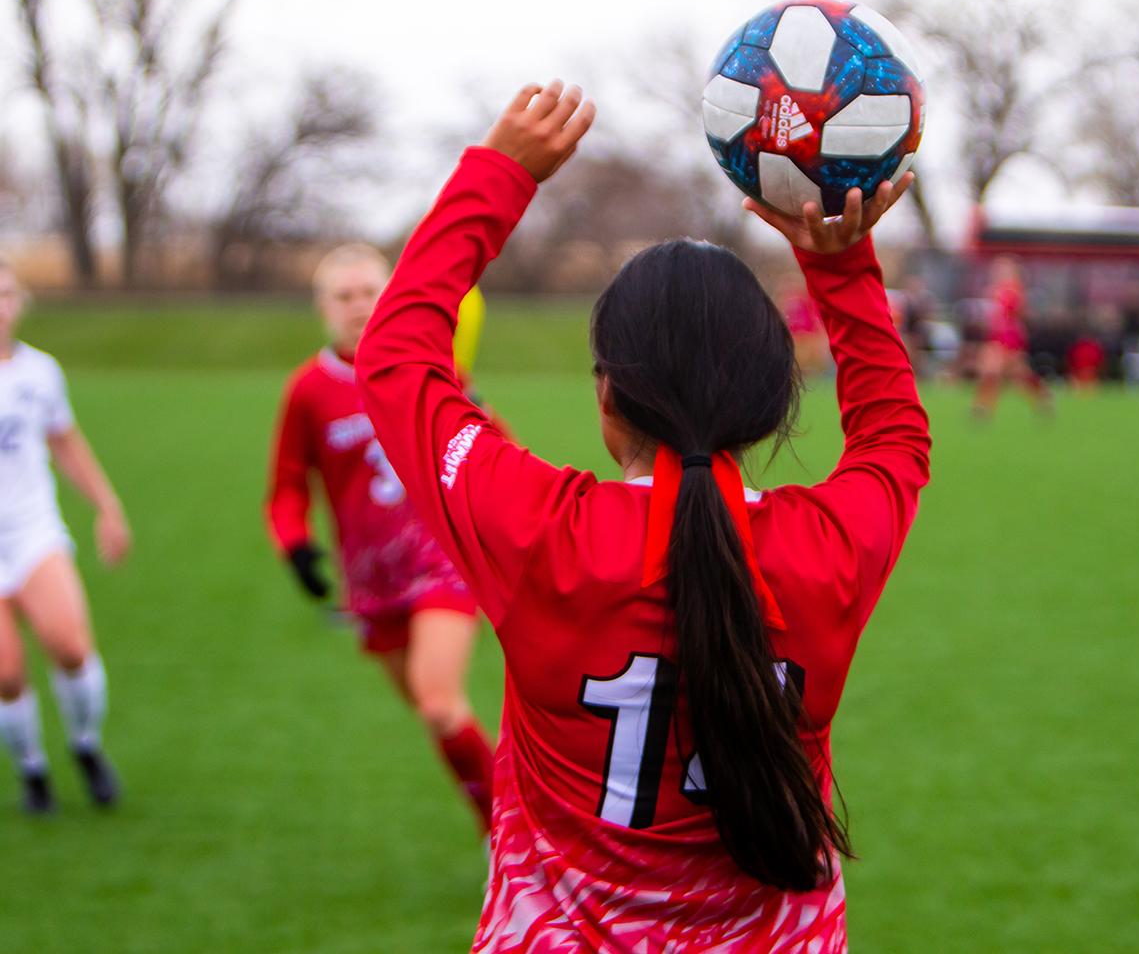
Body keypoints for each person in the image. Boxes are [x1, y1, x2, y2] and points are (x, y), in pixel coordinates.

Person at [356, 81, 929, 951]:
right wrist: (841, 266)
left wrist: (500, 175)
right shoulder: (828, 551)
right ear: (773, 404)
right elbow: (895, 437)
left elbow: (396, 354)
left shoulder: (540, 533)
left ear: (607, 394)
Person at [265, 244, 495, 832]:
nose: (360, 306)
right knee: (432, 711)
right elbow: (286, 487)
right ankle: (494, 824)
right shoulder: (308, 390)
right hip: (371, 578)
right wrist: (295, 545)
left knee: (440, 702)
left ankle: (513, 830)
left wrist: (479, 417)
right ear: (323, 307)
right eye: (344, 296)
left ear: (391, 295)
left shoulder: (424, 366)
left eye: (370, 292)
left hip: (441, 557)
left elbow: (490, 449)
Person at [0, 256, 130, 814]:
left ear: (20, 302)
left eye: (5, 293)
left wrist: (107, 507)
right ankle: (32, 768)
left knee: (71, 646)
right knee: (6, 674)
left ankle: (85, 745)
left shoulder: (40, 372)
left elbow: (66, 443)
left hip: (32, 528)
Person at [971, 256, 1052, 416]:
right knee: (1003, 373)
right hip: (997, 335)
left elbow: (1015, 313)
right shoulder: (996, 290)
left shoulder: (1013, 289)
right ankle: (983, 407)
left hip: (1009, 336)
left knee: (1003, 372)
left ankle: (983, 407)